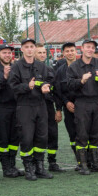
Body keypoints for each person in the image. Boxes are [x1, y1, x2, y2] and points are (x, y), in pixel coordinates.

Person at [9, 38, 54, 181]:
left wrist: (47, 87)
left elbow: (47, 81)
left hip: (40, 105)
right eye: (26, 47)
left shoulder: (41, 66)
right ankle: (28, 168)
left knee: (42, 137)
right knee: (27, 138)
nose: (29, 49)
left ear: (35, 49)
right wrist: (26, 87)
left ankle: (39, 167)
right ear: (21, 49)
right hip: (25, 106)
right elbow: (13, 86)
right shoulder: (16, 67)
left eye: (31, 46)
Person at [67, 39, 98, 175]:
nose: (90, 50)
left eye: (92, 48)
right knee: (81, 133)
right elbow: (69, 85)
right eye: (88, 47)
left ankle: (96, 163)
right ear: (82, 48)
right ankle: (82, 165)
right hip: (82, 102)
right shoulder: (74, 67)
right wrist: (81, 81)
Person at [0, 43, 24, 178]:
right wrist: (4, 77)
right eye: (4, 53)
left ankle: (12, 165)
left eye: (9, 53)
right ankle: (6, 168)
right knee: (3, 138)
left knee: (15, 138)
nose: (7, 55)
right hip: (1, 108)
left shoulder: (15, 67)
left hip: (16, 107)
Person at [34, 44, 65, 172]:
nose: (42, 55)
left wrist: (58, 109)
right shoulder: (29, 70)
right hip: (33, 107)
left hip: (48, 106)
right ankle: (36, 164)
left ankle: (52, 162)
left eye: (43, 52)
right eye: (39, 52)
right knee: (37, 136)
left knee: (53, 133)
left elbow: (57, 91)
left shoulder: (50, 70)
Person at [54, 42, 80, 170]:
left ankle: (90, 160)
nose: (70, 53)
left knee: (86, 134)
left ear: (76, 52)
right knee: (73, 135)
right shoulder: (60, 71)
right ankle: (80, 161)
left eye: (72, 50)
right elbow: (58, 91)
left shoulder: (83, 67)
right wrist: (65, 103)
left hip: (84, 106)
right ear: (63, 53)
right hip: (68, 108)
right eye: (67, 51)